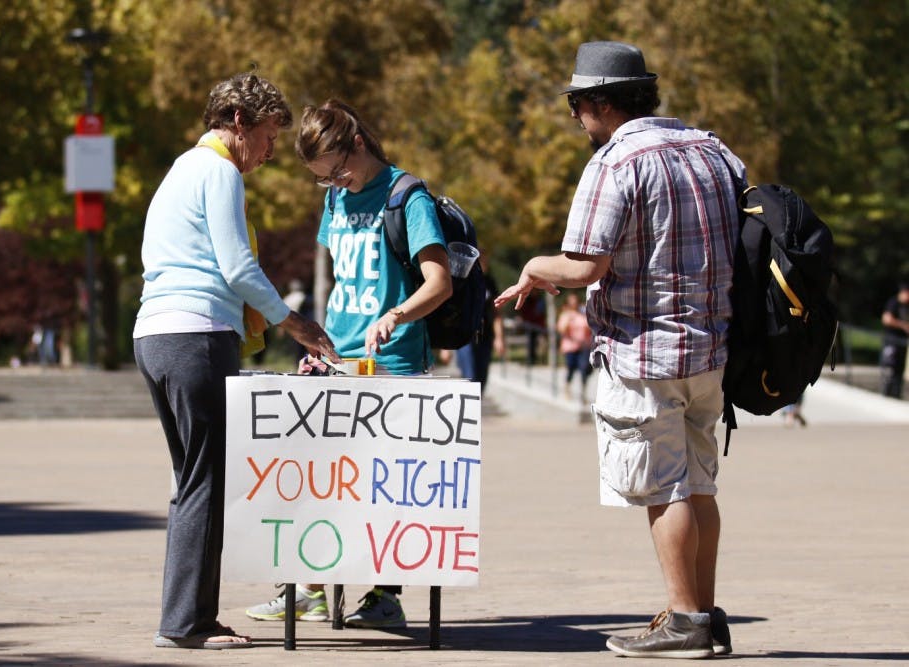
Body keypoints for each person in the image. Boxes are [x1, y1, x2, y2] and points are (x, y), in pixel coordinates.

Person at [494, 41, 744, 659]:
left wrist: (534, 265)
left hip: (645, 353)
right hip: (713, 350)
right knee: (700, 483)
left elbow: (585, 265)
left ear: (601, 103)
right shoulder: (714, 150)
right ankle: (706, 615)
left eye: (577, 107)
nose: (577, 119)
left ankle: (685, 622)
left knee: (665, 488)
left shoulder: (617, 163)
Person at [133, 73, 339, 650]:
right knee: (207, 480)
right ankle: (186, 624)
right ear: (240, 122)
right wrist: (294, 323)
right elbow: (238, 267)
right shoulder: (219, 171)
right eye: (270, 134)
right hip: (197, 333)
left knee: (192, 480)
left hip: (157, 335)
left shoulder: (180, 169)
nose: (272, 151)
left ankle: (186, 617)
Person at [244, 98, 452, 629]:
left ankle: (386, 595)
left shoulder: (408, 197)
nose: (334, 184)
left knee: (387, 484)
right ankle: (310, 589)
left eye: (338, 171)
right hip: (334, 358)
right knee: (317, 479)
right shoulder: (335, 200)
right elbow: (341, 276)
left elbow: (439, 282)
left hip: (392, 364)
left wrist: (397, 314)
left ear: (358, 145)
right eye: (321, 179)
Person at [455, 251, 505, 393]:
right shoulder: (464, 280)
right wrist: (445, 348)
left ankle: (475, 410)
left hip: (485, 335)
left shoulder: (490, 282)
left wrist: (499, 338)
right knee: (470, 377)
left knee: (482, 378)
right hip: (465, 336)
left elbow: (496, 314)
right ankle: (469, 411)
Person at [556, 291, 592, 402]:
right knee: (571, 367)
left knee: (584, 368)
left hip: (583, 346)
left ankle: (583, 392)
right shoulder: (565, 315)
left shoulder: (582, 315)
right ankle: (567, 387)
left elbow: (589, 328)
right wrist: (569, 317)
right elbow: (561, 329)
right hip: (570, 347)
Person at [880, 282, 909, 399]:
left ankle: (896, 394)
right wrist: (903, 326)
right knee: (890, 367)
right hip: (892, 340)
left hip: (903, 342)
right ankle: (886, 393)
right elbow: (886, 319)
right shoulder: (894, 303)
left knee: (899, 369)